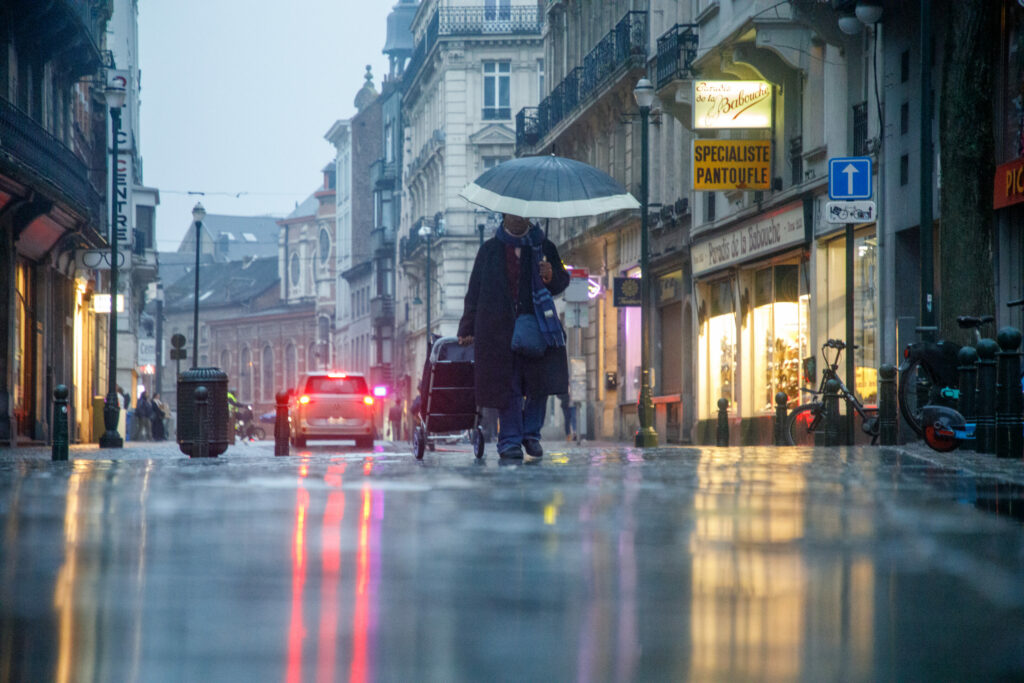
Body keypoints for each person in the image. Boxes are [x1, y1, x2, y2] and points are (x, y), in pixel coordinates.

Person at [458, 213, 570, 460]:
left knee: (538, 385)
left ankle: (531, 435)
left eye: (522, 214)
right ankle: (509, 440)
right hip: (498, 333)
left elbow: (561, 282)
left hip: (537, 328)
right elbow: (474, 291)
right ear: (504, 217)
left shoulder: (544, 247)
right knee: (508, 386)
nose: (518, 218)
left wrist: (550, 274)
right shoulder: (489, 250)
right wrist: (467, 328)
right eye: (512, 214)